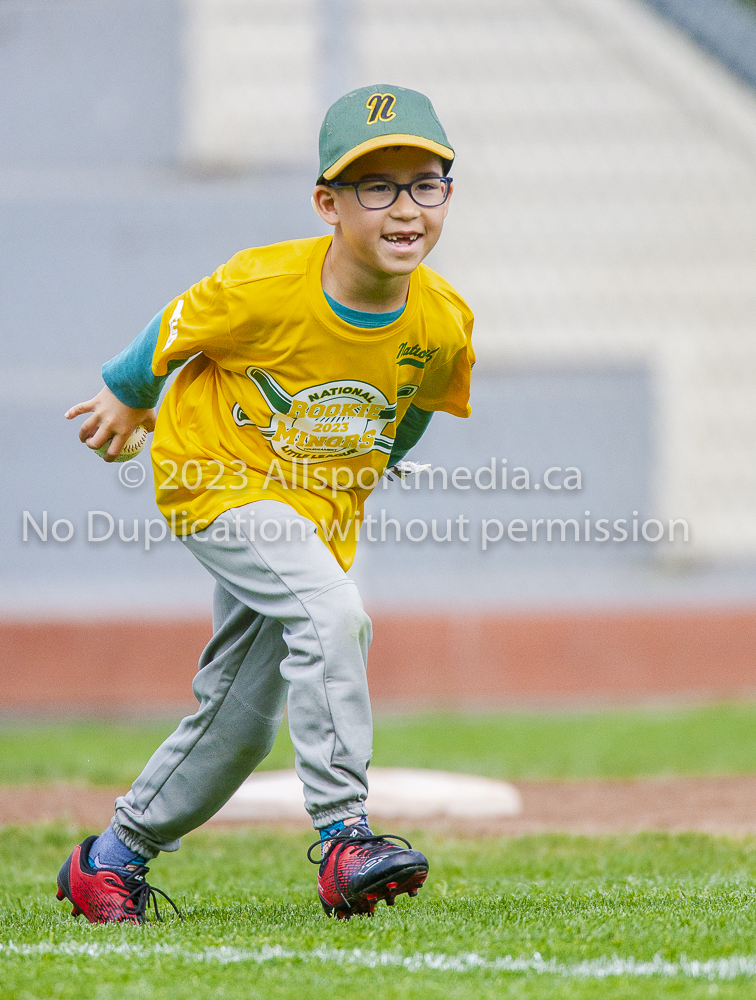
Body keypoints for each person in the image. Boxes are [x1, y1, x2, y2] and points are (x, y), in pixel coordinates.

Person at [57, 84, 474, 923]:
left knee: (240, 723)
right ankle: (347, 837)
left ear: (447, 195)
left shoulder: (443, 322)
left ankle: (110, 860)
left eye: (425, 184)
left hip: (311, 511)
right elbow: (171, 329)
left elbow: (416, 409)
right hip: (213, 479)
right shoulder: (265, 285)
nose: (405, 208)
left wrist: (363, 475)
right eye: (376, 187)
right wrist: (126, 395)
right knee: (333, 614)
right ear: (329, 203)